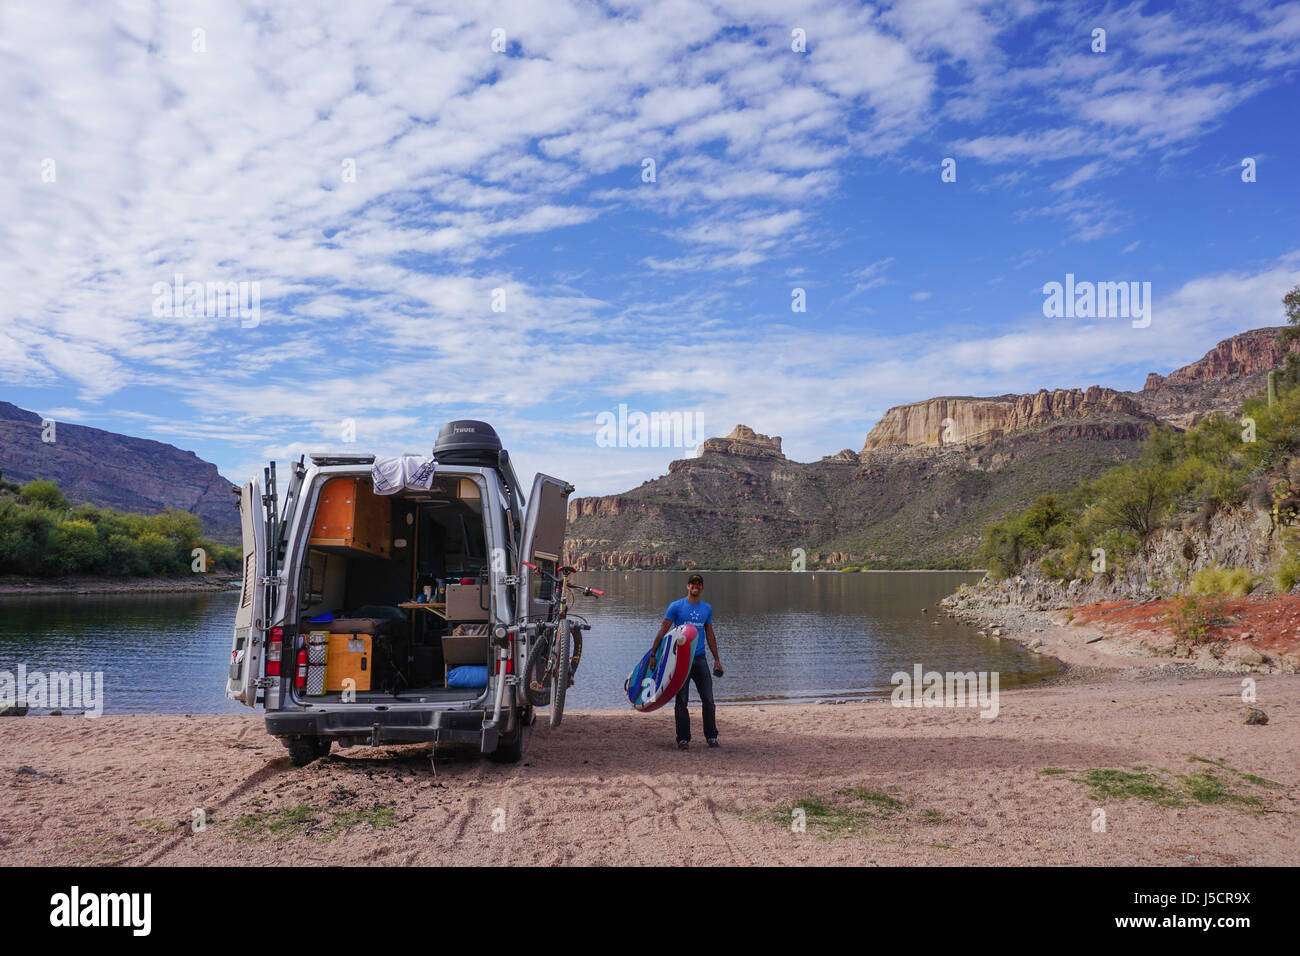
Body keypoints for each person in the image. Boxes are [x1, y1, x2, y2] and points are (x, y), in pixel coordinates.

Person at [649, 573, 723, 750]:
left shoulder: (707, 609)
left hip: (700, 659)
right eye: (692, 583)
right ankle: (683, 739)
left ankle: (711, 736)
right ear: (687, 587)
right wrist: (653, 654)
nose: (695, 586)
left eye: (698, 584)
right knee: (682, 701)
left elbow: (710, 634)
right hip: (680, 660)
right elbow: (663, 629)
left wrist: (717, 660)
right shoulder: (676, 607)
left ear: (702, 587)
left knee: (708, 699)